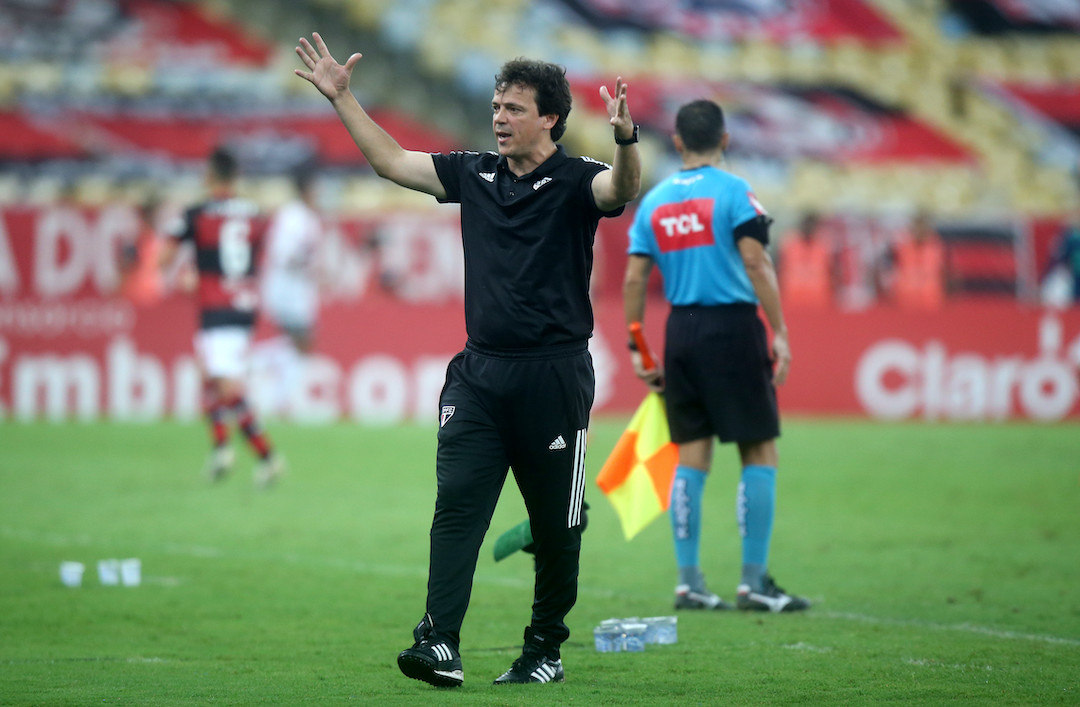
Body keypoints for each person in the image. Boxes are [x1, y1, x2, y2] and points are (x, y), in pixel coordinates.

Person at [294, 33, 640, 687]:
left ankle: (544, 647)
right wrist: (343, 98)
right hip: (479, 374)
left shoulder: (576, 180)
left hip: (554, 377)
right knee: (456, 505)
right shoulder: (473, 173)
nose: (499, 118)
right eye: (496, 105)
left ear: (550, 119)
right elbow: (393, 162)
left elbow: (621, 186)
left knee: (557, 527)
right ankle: (439, 642)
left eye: (513, 108)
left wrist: (626, 143)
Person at [622, 99, 808, 614]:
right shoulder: (735, 193)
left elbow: (636, 277)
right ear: (725, 139)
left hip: (679, 330)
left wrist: (639, 344)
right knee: (758, 452)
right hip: (732, 328)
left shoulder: (654, 202)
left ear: (677, 142)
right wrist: (780, 330)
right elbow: (756, 260)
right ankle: (752, 582)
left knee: (692, 457)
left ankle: (690, 582)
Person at [159, 147, 284, 488]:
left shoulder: (196, 213)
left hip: (217, 307)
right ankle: (221, 448)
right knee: (208, 376)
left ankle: (267, 456)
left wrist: (188, 275)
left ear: (210, 175)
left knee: (227, 386)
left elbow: (163, 255)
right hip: (242, 304)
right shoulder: (255, 214)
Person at [259, 165, 324, 417]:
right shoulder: (292, 217)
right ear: (306, 189)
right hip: (286, 289)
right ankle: (262, 373)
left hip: (297, 289)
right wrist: (304, 260)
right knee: (302, 343)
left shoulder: (307, 217)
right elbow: (283, 256)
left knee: (299, 344)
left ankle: (282, 400)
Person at [888, 210, 946, 310]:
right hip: (905, 296)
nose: (920, 229)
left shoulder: (935, 245)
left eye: (923, 225)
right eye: (917, 225)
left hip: (930, 296)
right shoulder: (901, 245)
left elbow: (942, 270)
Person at [778, 211, 833, 309]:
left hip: (819, 301)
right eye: (807, 224)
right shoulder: (789, 244)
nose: (809, 228)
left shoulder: (825, 244)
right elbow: (778, 269)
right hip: (792, 299)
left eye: (812, 225)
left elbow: (833, 272)